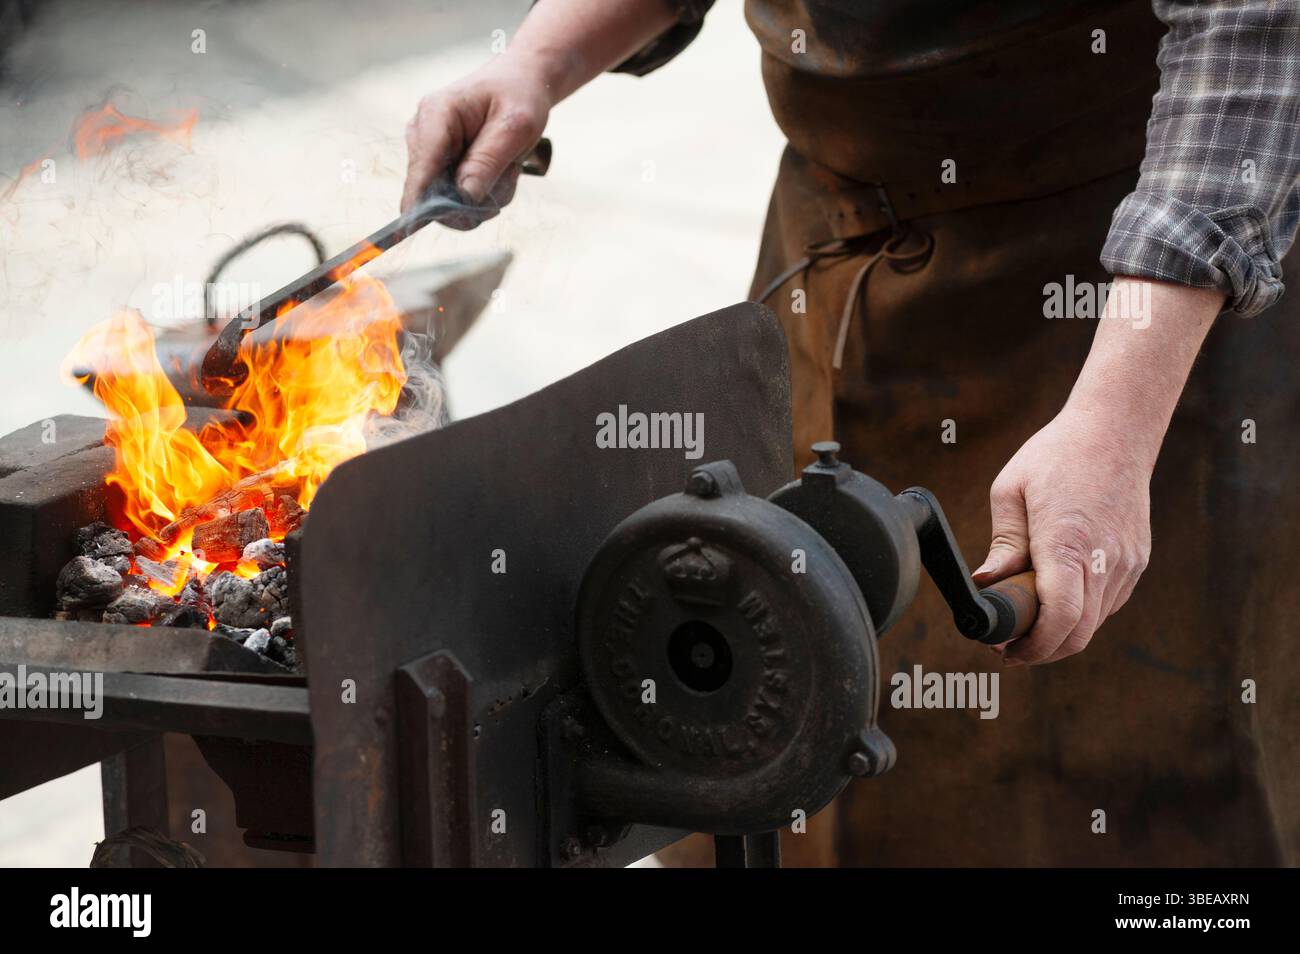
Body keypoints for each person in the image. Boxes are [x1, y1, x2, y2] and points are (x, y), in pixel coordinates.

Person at [402, 0, 1300, 866]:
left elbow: (1258, 26)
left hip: (1124, 304)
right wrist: (536, 62)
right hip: (838, 240)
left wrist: (1116, 421)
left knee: (1125, 769)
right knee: (767, 695)